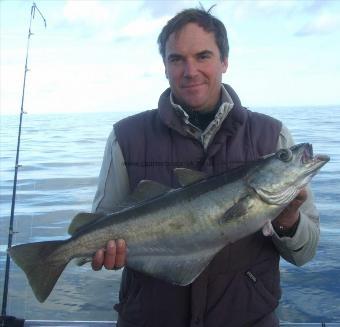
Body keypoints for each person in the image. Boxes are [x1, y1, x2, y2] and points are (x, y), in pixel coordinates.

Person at [91, 7, 320, 327]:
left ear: (224, 61)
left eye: (203, 56)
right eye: (176, 59)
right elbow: (102, 225)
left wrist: (288, 220)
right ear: (165, 67)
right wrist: (101, 250)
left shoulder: (273, 136)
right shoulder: (125, 138)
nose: (190, 70)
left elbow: (305, 253)